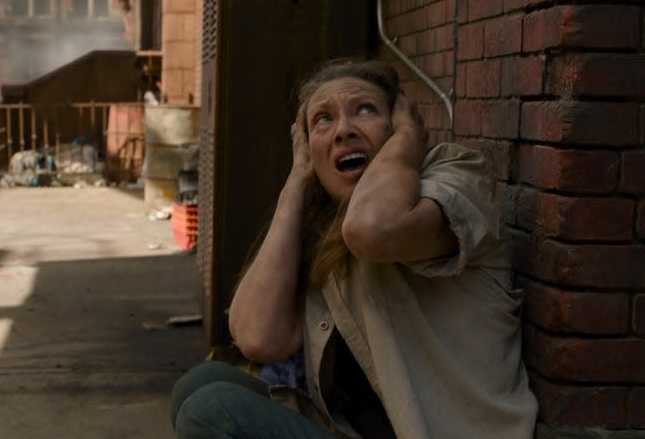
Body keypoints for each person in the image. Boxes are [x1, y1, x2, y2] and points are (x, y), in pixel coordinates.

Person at [170, 59, 538, 438]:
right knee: (199, 383)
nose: (343, 131)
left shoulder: (455, 176)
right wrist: (298, 179)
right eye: (323, 120)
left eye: (365, 110)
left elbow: (374, 229)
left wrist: (407, 141)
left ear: (396, 124)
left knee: (209, 411)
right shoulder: (321, 221)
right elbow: (257, 337)